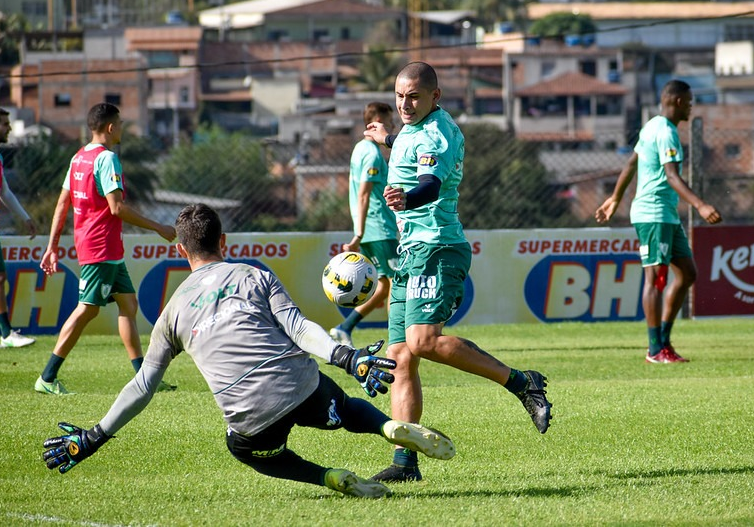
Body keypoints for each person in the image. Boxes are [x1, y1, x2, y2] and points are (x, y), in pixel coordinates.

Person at [42, 203, 456, 498]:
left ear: (180, 250)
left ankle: (330, 477)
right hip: (300, 386)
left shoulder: (170, 313)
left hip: (250, 415)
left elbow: (144, 385)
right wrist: (349, 358)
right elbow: (299, 329)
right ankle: (387, 428)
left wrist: (95, 435)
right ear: (223, 240)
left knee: (247, 451)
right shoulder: (253, 274)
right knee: (343, 406)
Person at [363, 61, 552, 483]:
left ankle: (522, 383)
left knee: (422, 341)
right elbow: (412, 149)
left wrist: (407, 199)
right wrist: (388, 138)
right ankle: (404, 463)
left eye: (413, 96)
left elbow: (429, 182)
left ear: (435, 96)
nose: (404, 103)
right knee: (399, 358)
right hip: (409, 253)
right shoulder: (414, 130)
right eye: (399, 95)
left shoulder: (436, 132)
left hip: (437, 248)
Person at [36, 102, 178, 395]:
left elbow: (63, 203)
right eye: (121, 123)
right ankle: (47, 378)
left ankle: (144, 379)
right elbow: (116, 208)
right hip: (100, 246)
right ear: (111, 127)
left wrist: (52, 247)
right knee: (86, 310)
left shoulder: (79, 158)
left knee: (128, 305)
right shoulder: (106, 159)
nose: (123, 128)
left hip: (104, 248)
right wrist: (159, 227)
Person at [595, 79, 722, 364]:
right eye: (689, 101)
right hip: (653, 214)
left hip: (665, 215)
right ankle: (655, 349)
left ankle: (664, 342)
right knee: (656, 279)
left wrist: (615, 198)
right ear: (677, 101)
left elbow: (631, 164)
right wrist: (700, 205)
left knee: (688, 273)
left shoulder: (651, 125)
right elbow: (673, 176)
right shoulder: (665, 132)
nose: (691, 106)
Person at [330, 102, 400, 346]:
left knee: (382, 287)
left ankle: (344, 327)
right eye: (390, 123)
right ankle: (398, 341)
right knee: (396, 283)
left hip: (373, 228)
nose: (393, 128)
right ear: (377, 122)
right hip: (378, 228)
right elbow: (364, 194)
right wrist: (358, 234)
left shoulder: (360, 149)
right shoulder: (371, 153)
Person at [0, 108, 38, 348]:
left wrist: (24, 217)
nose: (9, 128)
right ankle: (6, 333)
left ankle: (5, 332)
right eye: (4, 124)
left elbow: (5, 192)